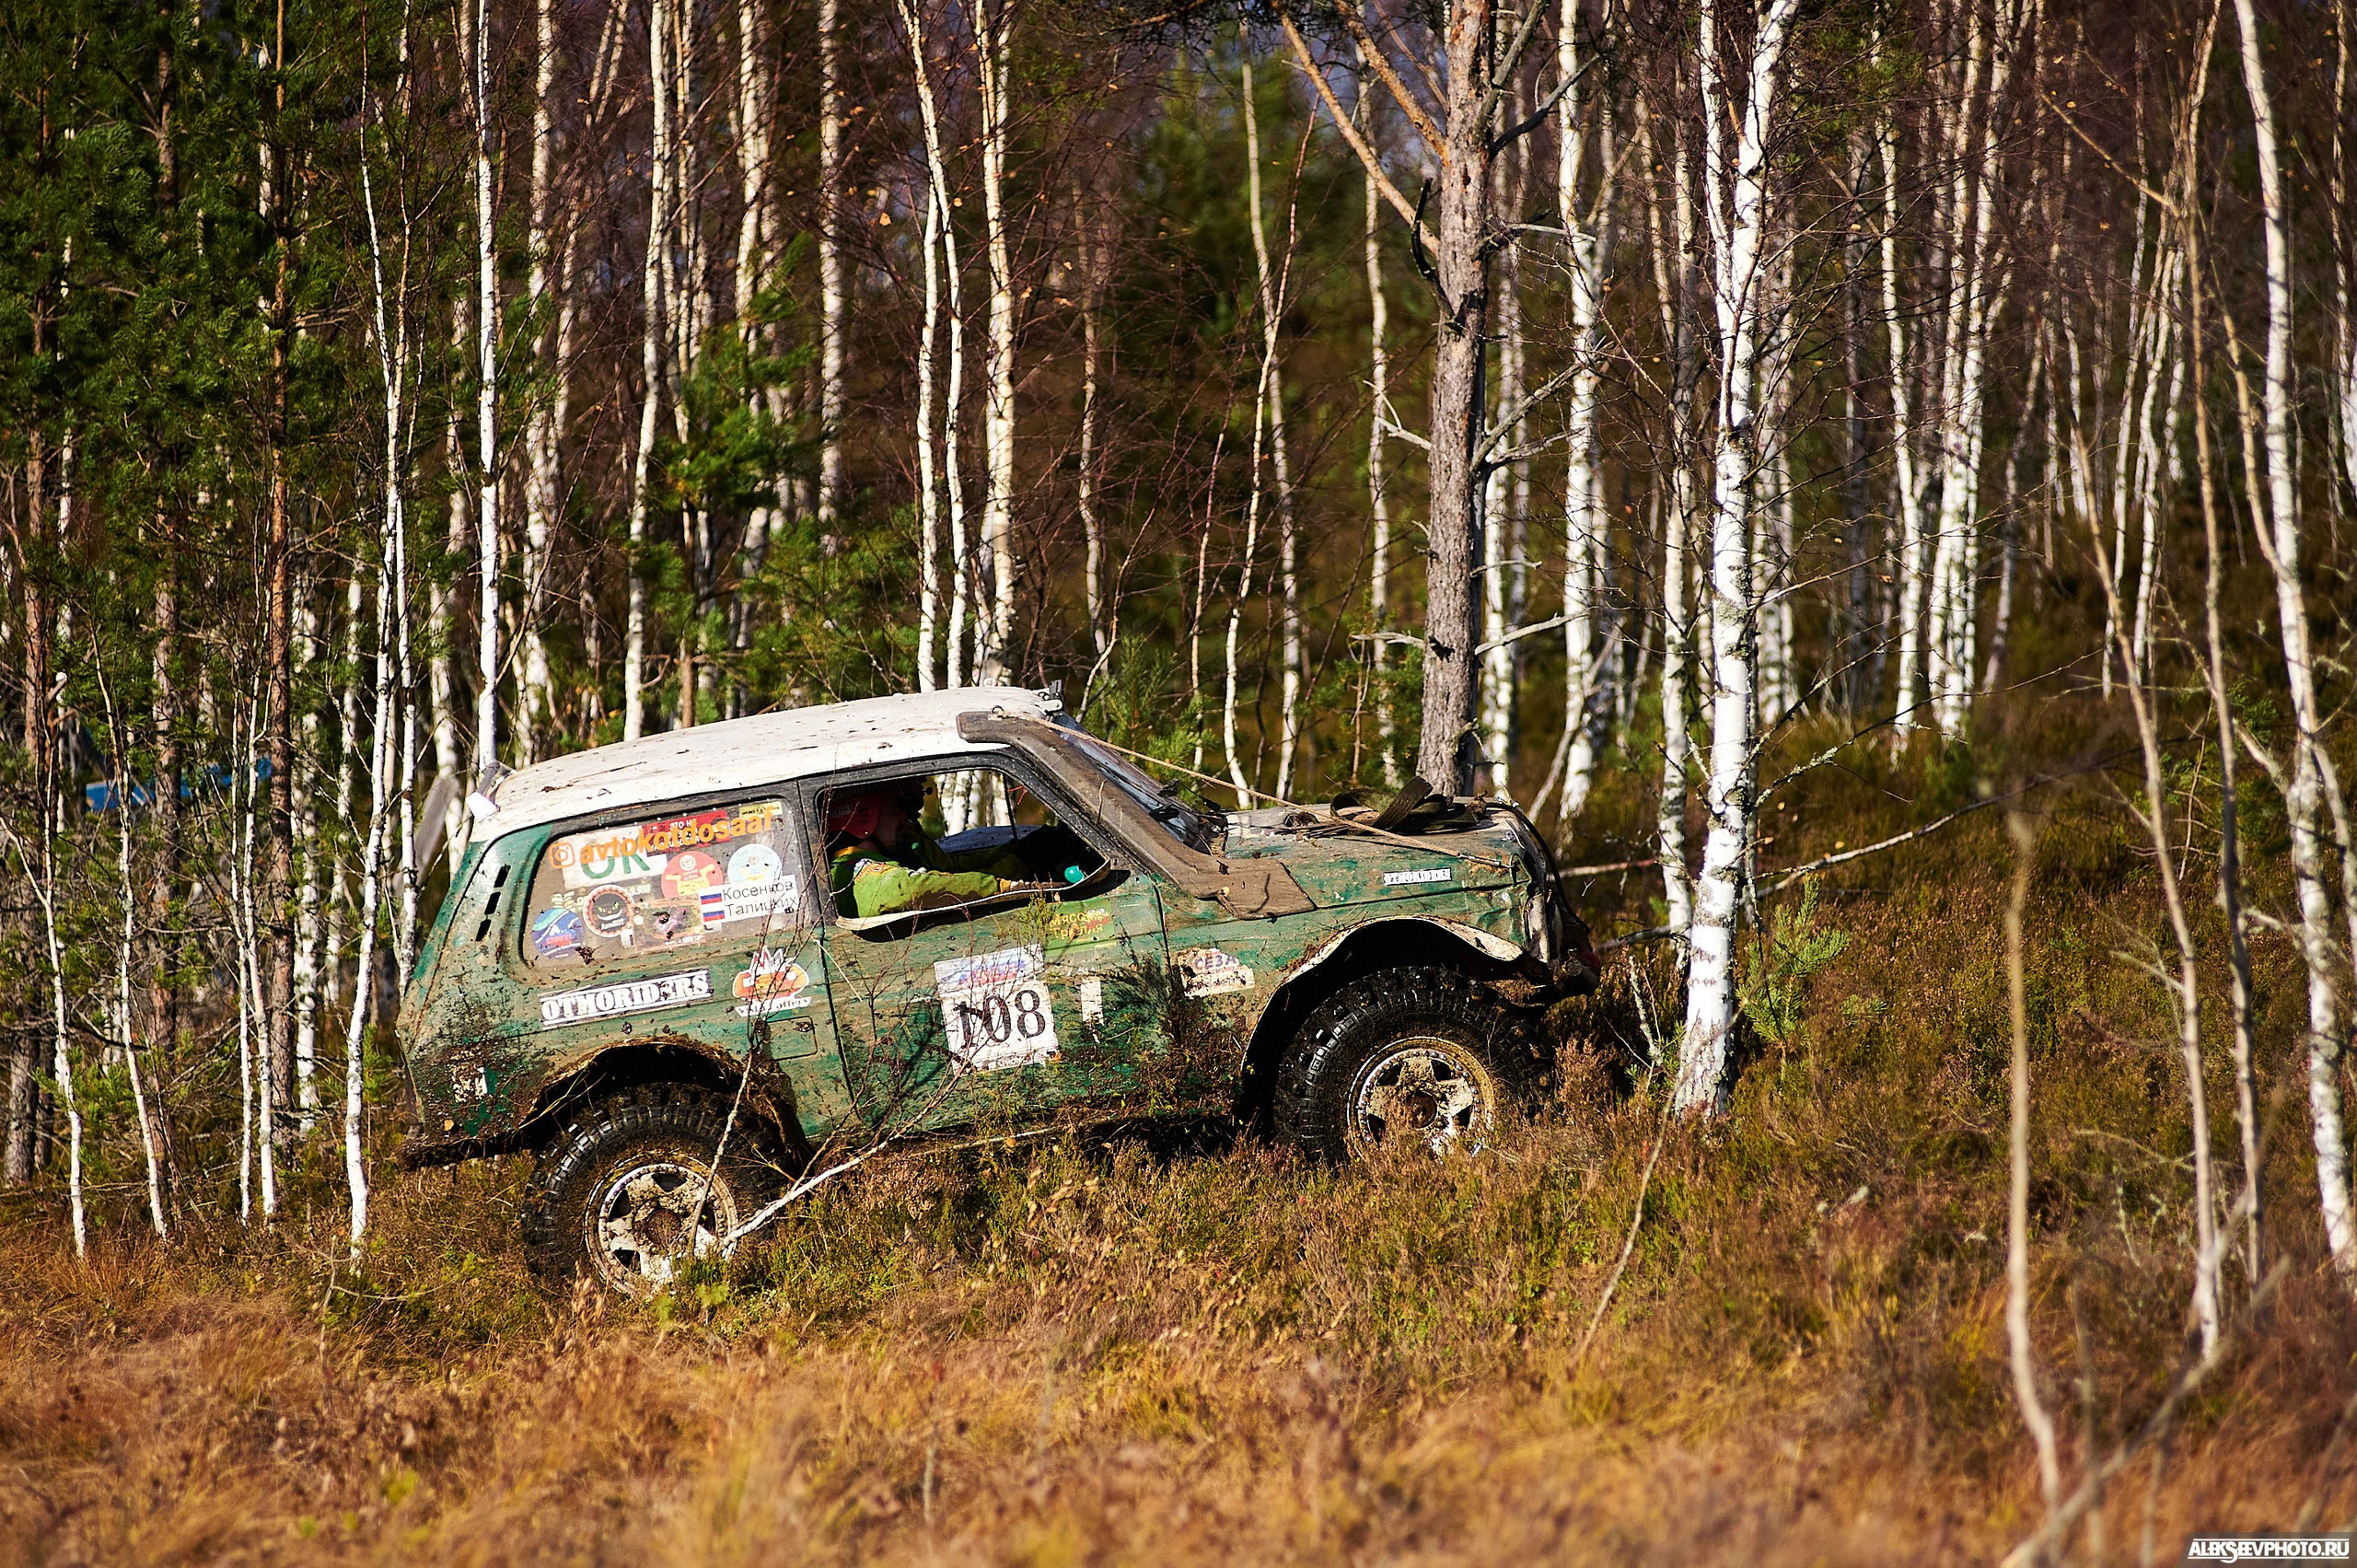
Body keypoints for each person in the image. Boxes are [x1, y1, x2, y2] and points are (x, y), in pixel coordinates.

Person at [826, 781, 1043, 919]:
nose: (905, 819)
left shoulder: (871, 862)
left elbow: (949, 869)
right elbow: (910, 887)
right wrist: (999, 886)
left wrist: (1017, 853)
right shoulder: (851, 869)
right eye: (897, 808)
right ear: (864, 818)